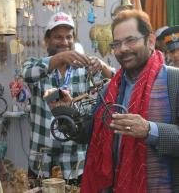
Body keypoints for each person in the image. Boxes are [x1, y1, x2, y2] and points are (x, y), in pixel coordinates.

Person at [80, 10, 179, 192]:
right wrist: (65, 115)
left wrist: (150, 130)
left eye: (130, 40)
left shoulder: (174, 81)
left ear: (149, 41)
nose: (123, 49)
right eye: (116, 44)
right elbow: (91, 135)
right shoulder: (110, 89)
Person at [22, 11, 114, 184]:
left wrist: (102, 65)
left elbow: (117, 82)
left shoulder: (85, 69)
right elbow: (26, 74)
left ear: (74, 39)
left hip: (76, 163)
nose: (64, 42)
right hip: (42, 162)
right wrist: (60, 57)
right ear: (47, 40)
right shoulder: (37, 65)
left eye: (69, 37)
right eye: (58, 37)